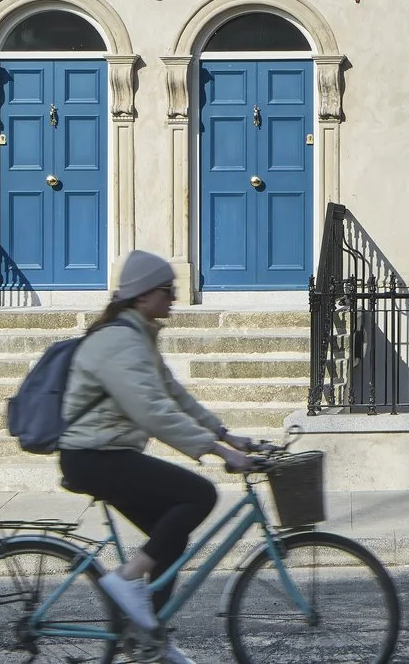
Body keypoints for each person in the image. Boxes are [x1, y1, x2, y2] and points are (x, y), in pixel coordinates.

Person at [58, 249, 262, 657]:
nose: (173, 298)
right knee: (199, 494)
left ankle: (149, 637)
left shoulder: (138, 335)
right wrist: (217, 451)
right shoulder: (118, 340)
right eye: (168, 290)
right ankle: (126, 578)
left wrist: (225, 433)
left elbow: (173, 394)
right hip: (94, 456)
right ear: (143, 295)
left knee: (169, 539)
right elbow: (152, 411)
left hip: (107, 453)